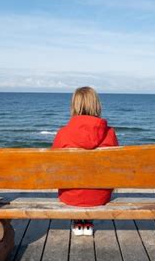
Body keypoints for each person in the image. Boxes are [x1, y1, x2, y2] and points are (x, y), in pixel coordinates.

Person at [51, 86, 119, 236]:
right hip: (100, 196)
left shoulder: (63, 133)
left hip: (70, 196)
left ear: (74, 105)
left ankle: (78, 221)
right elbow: (116, 167)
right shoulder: (110, 133)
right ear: (96, 105)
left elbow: (53, 166)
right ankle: (88, 223)